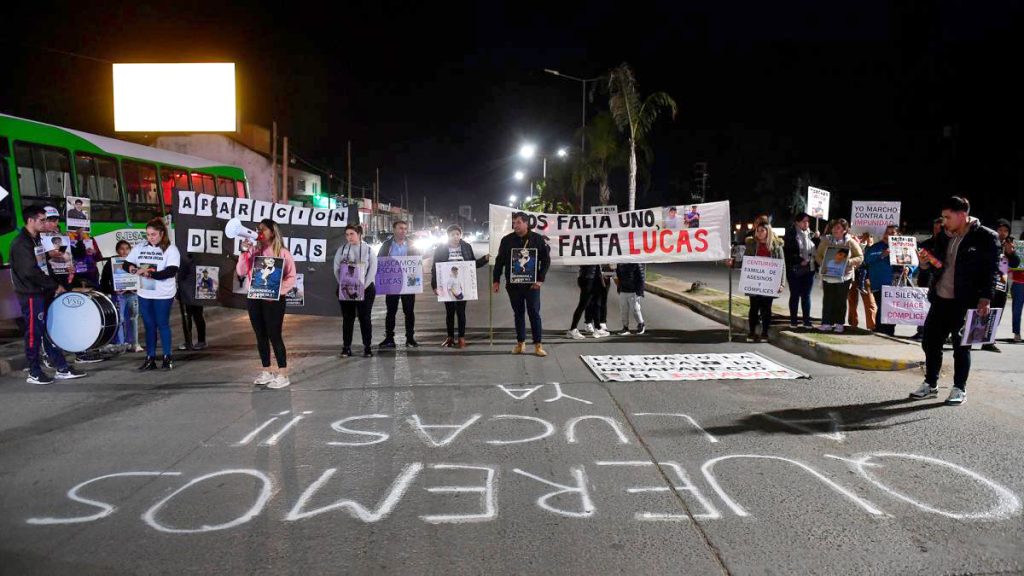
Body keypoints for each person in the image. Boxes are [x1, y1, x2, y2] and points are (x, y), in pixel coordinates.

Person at [909, 196, 1000, 406]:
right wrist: (925, 263)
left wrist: (985, 298)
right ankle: (930, 383)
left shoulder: (986, 237)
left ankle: (959, 388)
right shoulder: (944, 235)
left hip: (966, 301)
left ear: (962, 215)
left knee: (961, 347)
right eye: (943, 217)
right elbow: (938, 265)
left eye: (948, 217)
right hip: (940, 298)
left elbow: (992, 271)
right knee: (930, 342)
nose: (944, 222)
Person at [10, 205, 86, 384]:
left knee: (48, 330)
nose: (46, 223)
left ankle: (61, 367)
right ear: (30, 220)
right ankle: (34, 372)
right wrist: (54, 286)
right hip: (31, 294)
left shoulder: (36, 239)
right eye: (42, 220)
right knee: (33, 333)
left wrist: (56, 258)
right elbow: (30, 272)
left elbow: (42, 263)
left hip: (42, 291)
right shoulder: (21, 243)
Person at [237, 219, 297, 389]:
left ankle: (283, 374)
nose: (259, 232)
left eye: (263, 229)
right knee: (260, 335)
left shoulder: (283, 252)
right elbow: (241, 271)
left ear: (272, 231)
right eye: (258, 229)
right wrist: (244, 252)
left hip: (273, 300)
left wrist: (277, 291)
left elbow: (291, 276)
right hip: (254, 298)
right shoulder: (253, 250)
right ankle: (267, 371)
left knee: (274, 335)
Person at [123, 217, 180, 371]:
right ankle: (150, 358)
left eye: (153, 234)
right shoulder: (140, 247)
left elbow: (171, 271)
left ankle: (167, 357)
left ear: (162, 233)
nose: (150, 237)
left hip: (163, 294)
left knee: (162, 324)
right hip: (144, 293)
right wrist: (133, 270)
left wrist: (150, 274)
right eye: (148, 234)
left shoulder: (171, 249)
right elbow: (126, 264)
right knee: (149, 326)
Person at [492, 212, 551, 356]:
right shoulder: (507, 240)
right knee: (518, 314)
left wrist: (540, 280)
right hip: (513, 285)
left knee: (534, 313)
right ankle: (520, 343)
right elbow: (499, 261)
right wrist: (496, 280)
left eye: (518, 222)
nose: (515, 225)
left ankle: (538, 345)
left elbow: (546, 260)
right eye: (513, 222)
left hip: (532, 285)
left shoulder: (537, 239)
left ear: (526, 223)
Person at [431, 224, 489, 348]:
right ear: (448, 236)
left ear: (460, 235)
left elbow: (473, 264)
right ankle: (450, 338)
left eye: (457, 234)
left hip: (463, 284)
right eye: (452, 234)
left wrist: (485, 259)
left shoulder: (466, 247)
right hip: (447, 284)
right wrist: (434, 285)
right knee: (449, 312)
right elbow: (435, 267)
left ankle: (462, 338)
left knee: (461, 312)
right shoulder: (441, 249)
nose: (455, 237)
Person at [334, 224, 377, 357]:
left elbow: (373, 270)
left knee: (365, 318)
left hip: (366, 289)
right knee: (348, 318)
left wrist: (363, 286)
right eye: (347, 234)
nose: (349, 237)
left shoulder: (369, 250)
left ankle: (367, 347)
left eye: (352, 234)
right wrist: (343, 284)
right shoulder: (342, 250)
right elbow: (336, 268)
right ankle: (346, 347)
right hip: (346, 289)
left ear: (359, 234)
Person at [815, 218, 864, 333]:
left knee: (840, 300)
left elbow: (860, 257)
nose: (835, 230)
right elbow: (818, 255)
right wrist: (824, 263)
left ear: (844, 230)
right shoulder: (826, 240)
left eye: (838, 228)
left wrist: (848, 262)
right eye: (834, 227)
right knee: (828, 299)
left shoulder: (850, 242)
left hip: (844, 276)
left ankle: (839, 324)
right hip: (828, 275)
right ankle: (826, 323)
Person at [865, 225, 914, 336]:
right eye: (887, 232)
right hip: (880, 283)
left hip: (898, 284)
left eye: (892, 233)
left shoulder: (904, 246)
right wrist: (882, 254)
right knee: (883, 307)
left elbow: (914, 261)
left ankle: (888, 331)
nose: (888, 235)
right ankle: (880, 330)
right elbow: (867, 259)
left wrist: (909, 268)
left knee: (893, 310)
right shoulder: (876, 247)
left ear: (898, 235)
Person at [743, 222, 785, 342]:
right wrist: (733, 263)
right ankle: (751, 332)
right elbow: (745, 261)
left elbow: (782, 266)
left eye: (762, 230)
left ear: (768, 231)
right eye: (758, 230)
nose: (759, 233)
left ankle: (765, 333)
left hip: (770, 282)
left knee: (766, 308)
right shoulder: (751, 245)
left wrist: (782, 283)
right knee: (754, 307)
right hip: (754, 281)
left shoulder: (776, 246)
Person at [983, 219, 1021, 352]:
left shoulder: (1008, 246)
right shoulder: (988, 242)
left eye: (1006, 231)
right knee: (980, 312)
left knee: (996, 313)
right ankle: (969, 338)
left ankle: (988, 341)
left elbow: (1015, 263)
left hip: (1001, 285)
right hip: (986, 283)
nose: (1003, 233)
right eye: (1000, 230)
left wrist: (1011, 253)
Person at [99, 240, 140, 353]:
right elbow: (103, 281)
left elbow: (142, 278)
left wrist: (137, 288)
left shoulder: (135, 262)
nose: (124, 251)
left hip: (133, 295)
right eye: (122, 249)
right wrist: (113, 291)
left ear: (130, 250)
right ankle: (120, 344)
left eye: (127, 249)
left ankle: (135, 343)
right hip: (118, 296)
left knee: (134, 319)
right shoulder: (111, 263)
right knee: (119, 319)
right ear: (117, 250)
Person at [911, 217, 945, 341]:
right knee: (923, 307)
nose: (937, 231)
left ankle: (941, 334)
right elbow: (919, 263)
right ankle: (921, 332)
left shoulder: (949, 244)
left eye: (940, 228)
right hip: (926, 280)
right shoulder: (925, 244)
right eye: (935, 228)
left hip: (943, 282)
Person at [783, 212, 818, 328]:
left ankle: (806, 320)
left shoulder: (810, 234)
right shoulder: (791, 234)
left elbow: (816, 250)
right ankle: (793, 320)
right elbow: (788, 253)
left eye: (808, 221)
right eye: (804, 221)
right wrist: (799, 260)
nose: (806, 223)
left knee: (806, 296)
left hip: (809, 268)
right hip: (795, 269)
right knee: (795, 295)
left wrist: (817, 239)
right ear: (797, 222)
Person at [176, 252, 208, 351]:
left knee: (197, 315)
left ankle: (201, 341)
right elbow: (179, 275)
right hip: (185, 290)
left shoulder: (198, 257)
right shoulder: (181, 257)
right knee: (187, 316)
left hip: (196, 290)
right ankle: (188, 341)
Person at [847, 232, 877, 331]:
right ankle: (853, 323)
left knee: (870, 303)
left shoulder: (872, 248)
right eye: (865, 236)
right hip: (853, 276)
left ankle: (872, 326)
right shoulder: (852, 242)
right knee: (852, 301)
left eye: (870, 236)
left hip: (866, 278)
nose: (868, 238)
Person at [567, 265, 607, 339]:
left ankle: (597, 328)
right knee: (583, 304)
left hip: (594, 277)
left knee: (596, 303)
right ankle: (573, 329)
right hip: (589, 278)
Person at [615, 263, 646, 335]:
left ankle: (641, 324)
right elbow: (619, 276)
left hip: (633, 290)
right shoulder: (620, 264)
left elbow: (641, 277)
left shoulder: (636, 263)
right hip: (623, 290)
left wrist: (640, 291)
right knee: (623, 310)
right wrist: (619, 288)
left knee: (635, 309)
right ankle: (625, 327)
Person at [1011, 232, 1024, 344]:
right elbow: (1009, 266)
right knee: (1017, 310)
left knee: (1017, 310)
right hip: (1019, 283)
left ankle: (1017, 333)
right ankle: (1017, 333)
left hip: (1018, 284)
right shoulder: (1016, 249)